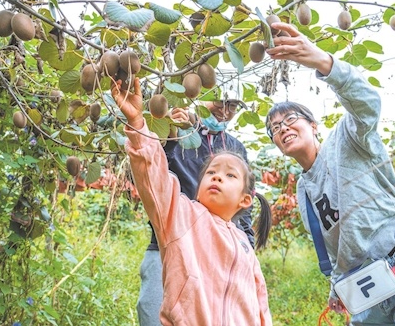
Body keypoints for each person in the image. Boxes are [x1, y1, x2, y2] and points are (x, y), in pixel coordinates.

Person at [264, 22, 395, 325]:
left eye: (291, 119)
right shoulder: (304, 191)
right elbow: (335, 248)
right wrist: (337, 288)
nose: (283, 129)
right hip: (370, 288)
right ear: (278, 144)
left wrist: (323, 62)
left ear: (313, 125)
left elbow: (368, 104)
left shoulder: (348, 137)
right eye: (275, 129)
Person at [111, 78, 273, 325]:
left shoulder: (235, 146)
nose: (225, 110)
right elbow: (156, 176)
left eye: (232, 106)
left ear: (245, 199)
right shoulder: (175, 129)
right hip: (177, 233)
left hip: (227, 240)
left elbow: (259, 303)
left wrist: (246, 245)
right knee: (151, 310)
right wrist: (141, 125)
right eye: (221, 102)